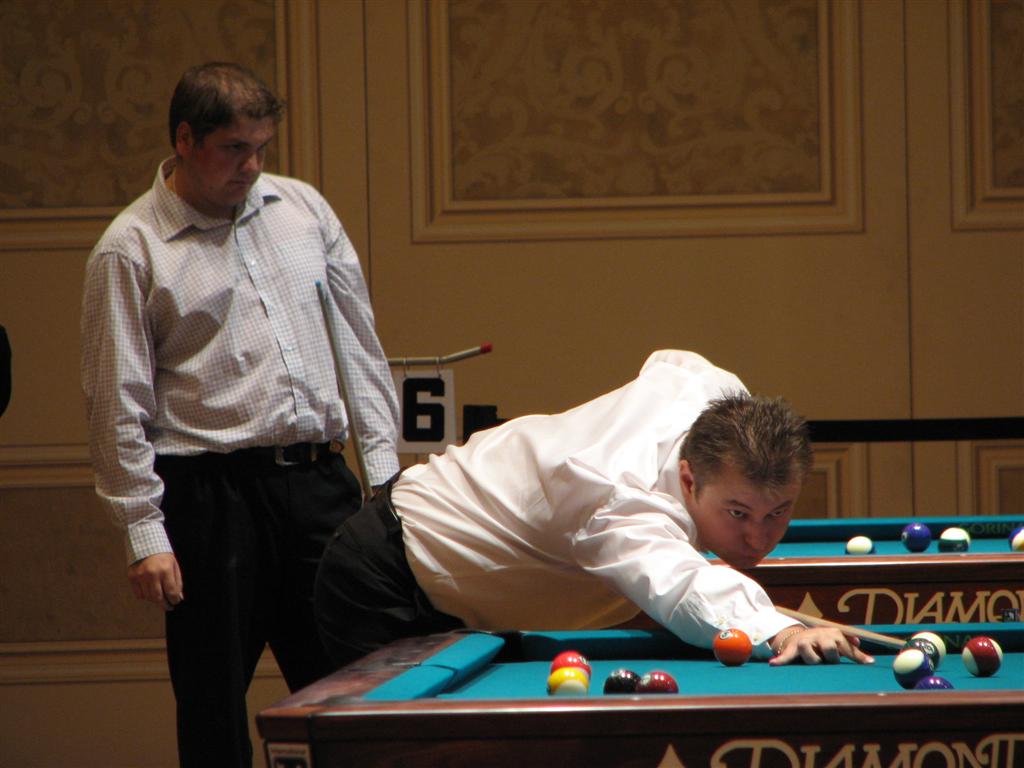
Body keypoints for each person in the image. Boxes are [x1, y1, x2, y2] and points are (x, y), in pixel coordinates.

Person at [80, 62, 399, 768]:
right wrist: (143, 532)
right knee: (213, 703)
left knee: (352, 692)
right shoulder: (130, 248)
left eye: (261, 148)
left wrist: (384, 480)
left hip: (318, 483)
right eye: (233, 149)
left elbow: (359, 345)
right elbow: (115, 400)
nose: (251, 166)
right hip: (209, 496)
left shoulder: (302, 208)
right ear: (185, 140)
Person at [314, 350, 875, 671]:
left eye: (777, 513)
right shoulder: (619, 495)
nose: (758, 539)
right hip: (384, 577)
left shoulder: (715, 397)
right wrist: (777, 629)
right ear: (688, 478)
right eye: (737, 514)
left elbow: (676, 362)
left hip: (467, 590)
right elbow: (680, 584)